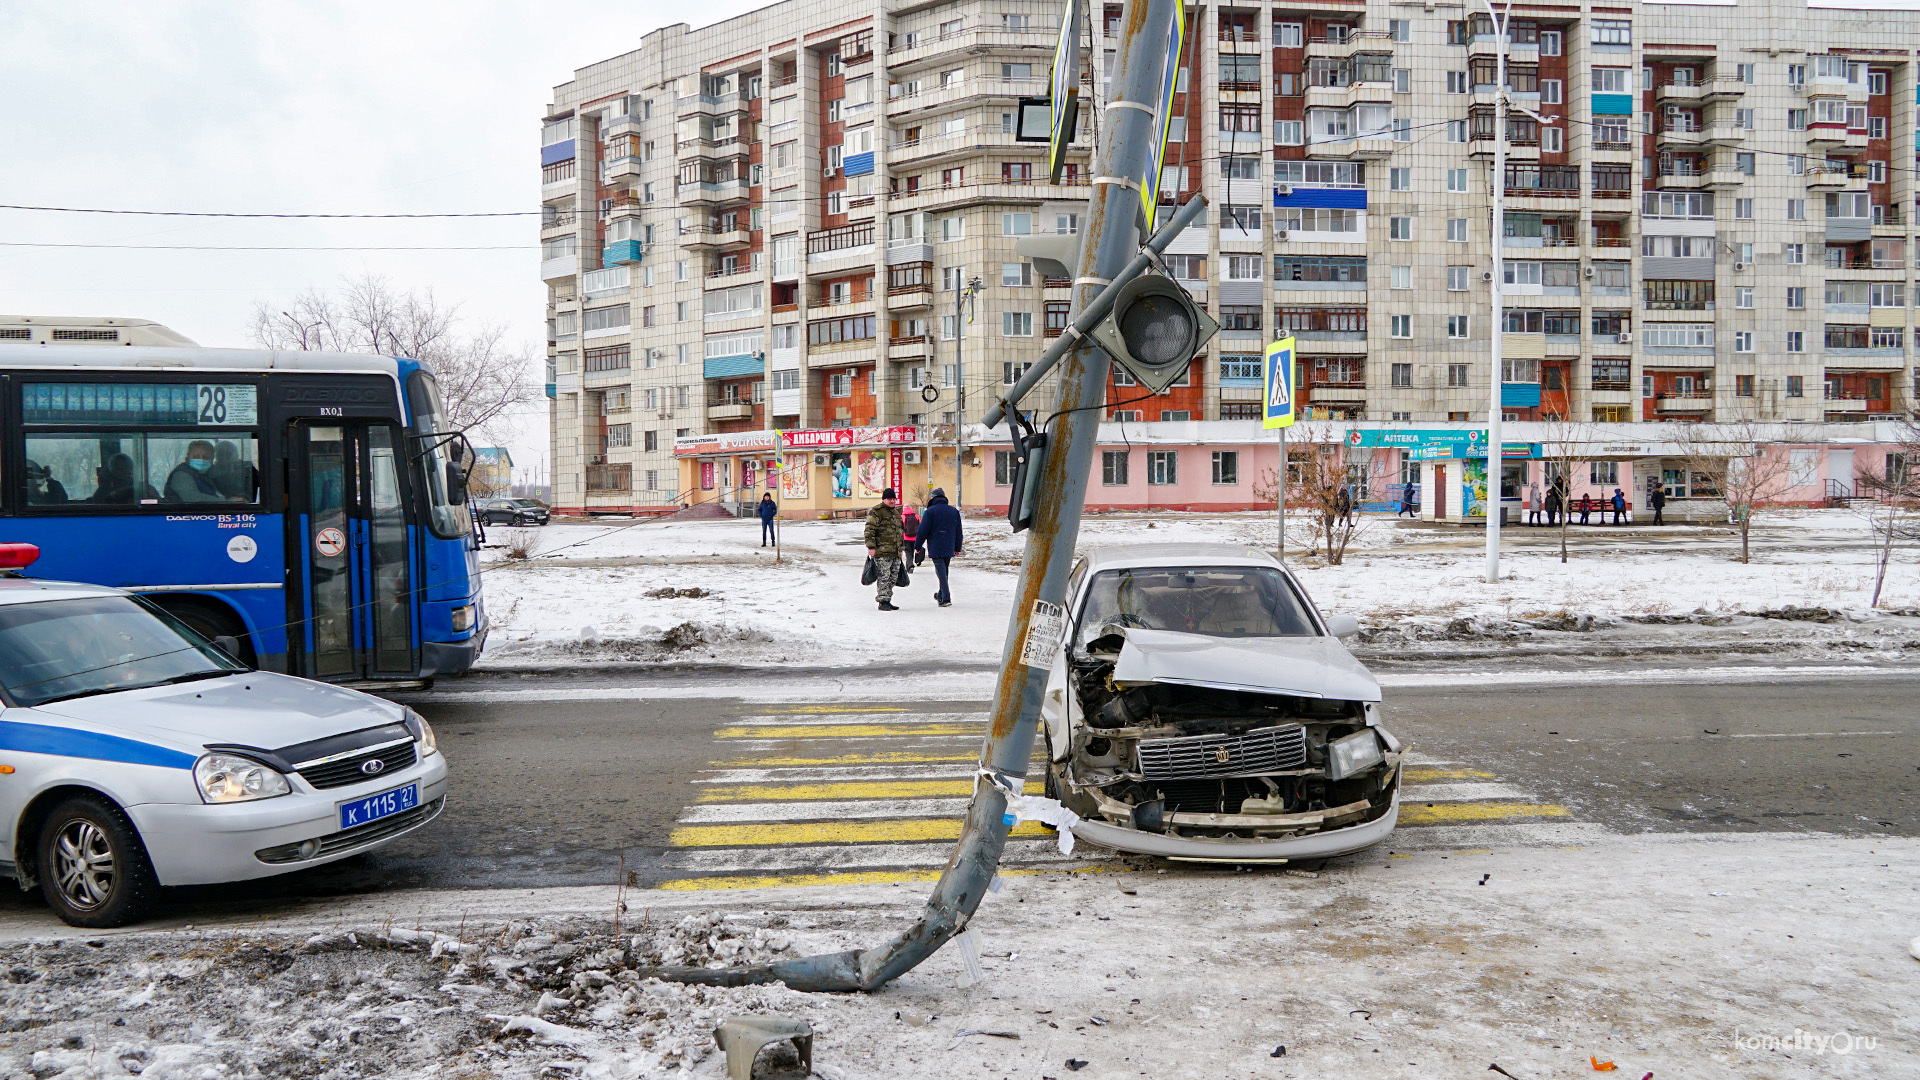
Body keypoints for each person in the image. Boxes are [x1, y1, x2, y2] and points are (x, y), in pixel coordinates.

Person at [915, 487, 964, 608]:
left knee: (941, 572)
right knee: (944, 570)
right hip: (949, 545)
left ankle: (946, 597)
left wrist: (918, 545)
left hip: (936, 545)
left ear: (934, 498)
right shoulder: (953, 511)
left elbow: (923, 530)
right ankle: (941, 594)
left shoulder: (930, 512)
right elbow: (959, 531)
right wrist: (957, 547)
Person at [864, 486, 906, 611]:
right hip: (882, 552)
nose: (892, 501)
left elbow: (899, 532)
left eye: (894, 499)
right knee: (884, 576)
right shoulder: (877, 511)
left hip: (895, 551)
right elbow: (869, 529)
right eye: (889, 499)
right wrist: (871, 546)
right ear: (884, 499)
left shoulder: (896, 513)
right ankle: (882, 601)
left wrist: (900, 549)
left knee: (893, 577)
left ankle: (887, 599)